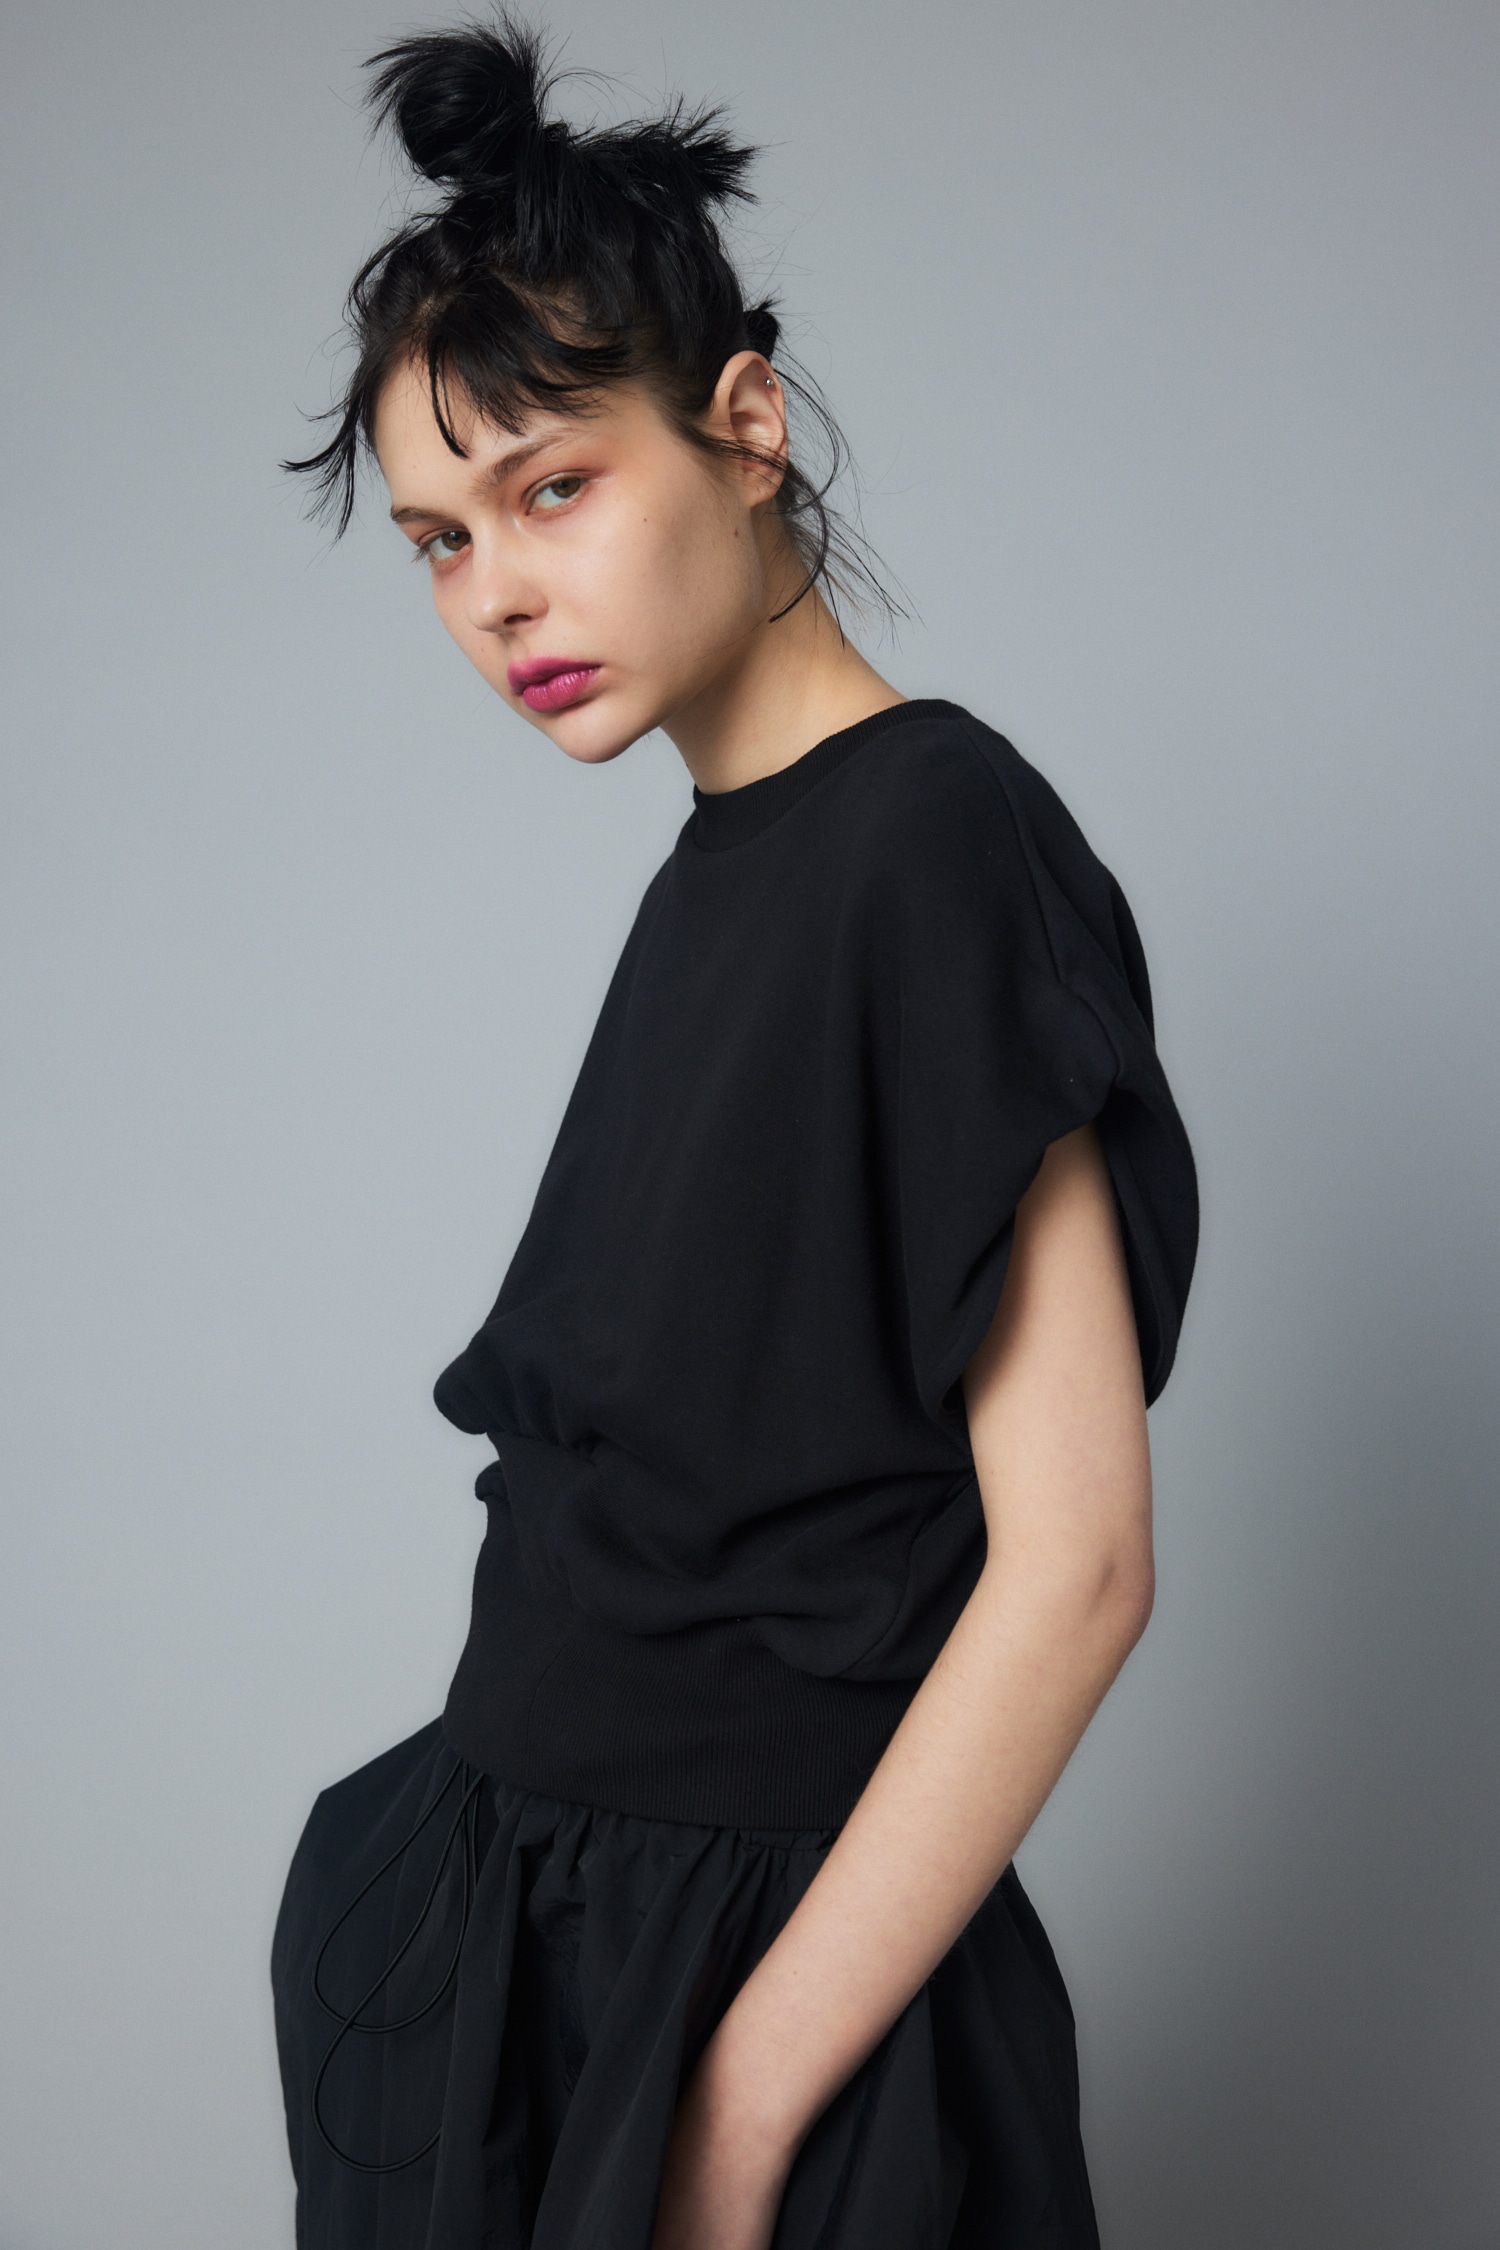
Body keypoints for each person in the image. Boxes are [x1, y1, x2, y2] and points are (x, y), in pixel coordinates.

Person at [270, 15, 1199, 2249]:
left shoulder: (934, 837)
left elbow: (1077, 1562)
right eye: (435, 541)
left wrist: (743, 2103)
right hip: (519, 1937)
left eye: (550, 488)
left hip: (743, 1989)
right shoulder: (734, 861)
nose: (493, 596)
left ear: (747, 428)